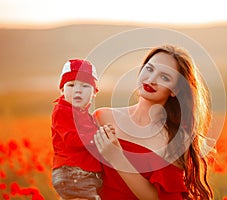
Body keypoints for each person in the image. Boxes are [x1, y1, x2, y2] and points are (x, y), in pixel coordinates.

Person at [93, 44, 214, 200]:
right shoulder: (102, 117)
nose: (151, 80)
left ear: (174, 90)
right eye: (149, 69)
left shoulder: (175, 138)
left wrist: (117, 157)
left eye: (164, 77)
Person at [51, 59, 103, 200]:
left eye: (85, 86)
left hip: (82, 175)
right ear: (62, 90)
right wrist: (99, 134)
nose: (78, 90)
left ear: (94, 92)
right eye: (71, 85)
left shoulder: (84, 115)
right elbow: (72, 140)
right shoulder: (62, 111)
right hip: (73, 173)